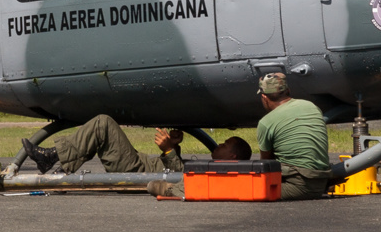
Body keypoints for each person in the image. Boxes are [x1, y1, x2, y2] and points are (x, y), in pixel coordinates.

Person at [22, 114, 252, 176]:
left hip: (135, 169)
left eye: (225, 144)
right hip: (139, 164)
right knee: (101, 131)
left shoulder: (220, 173)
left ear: (232, 157)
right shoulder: (218, 168)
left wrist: (168, 150)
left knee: (103, 123)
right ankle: (61, 165)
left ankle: (52, 157)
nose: (219, 144)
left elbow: (179, 176)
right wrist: (173, 147)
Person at [255, 72, 332, 200]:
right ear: (288, 90)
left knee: (248, 190)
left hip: (298, 185)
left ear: (264, 97)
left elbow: (267, 165)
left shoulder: (266, 122)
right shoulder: (311, 106)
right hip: (322, 180)